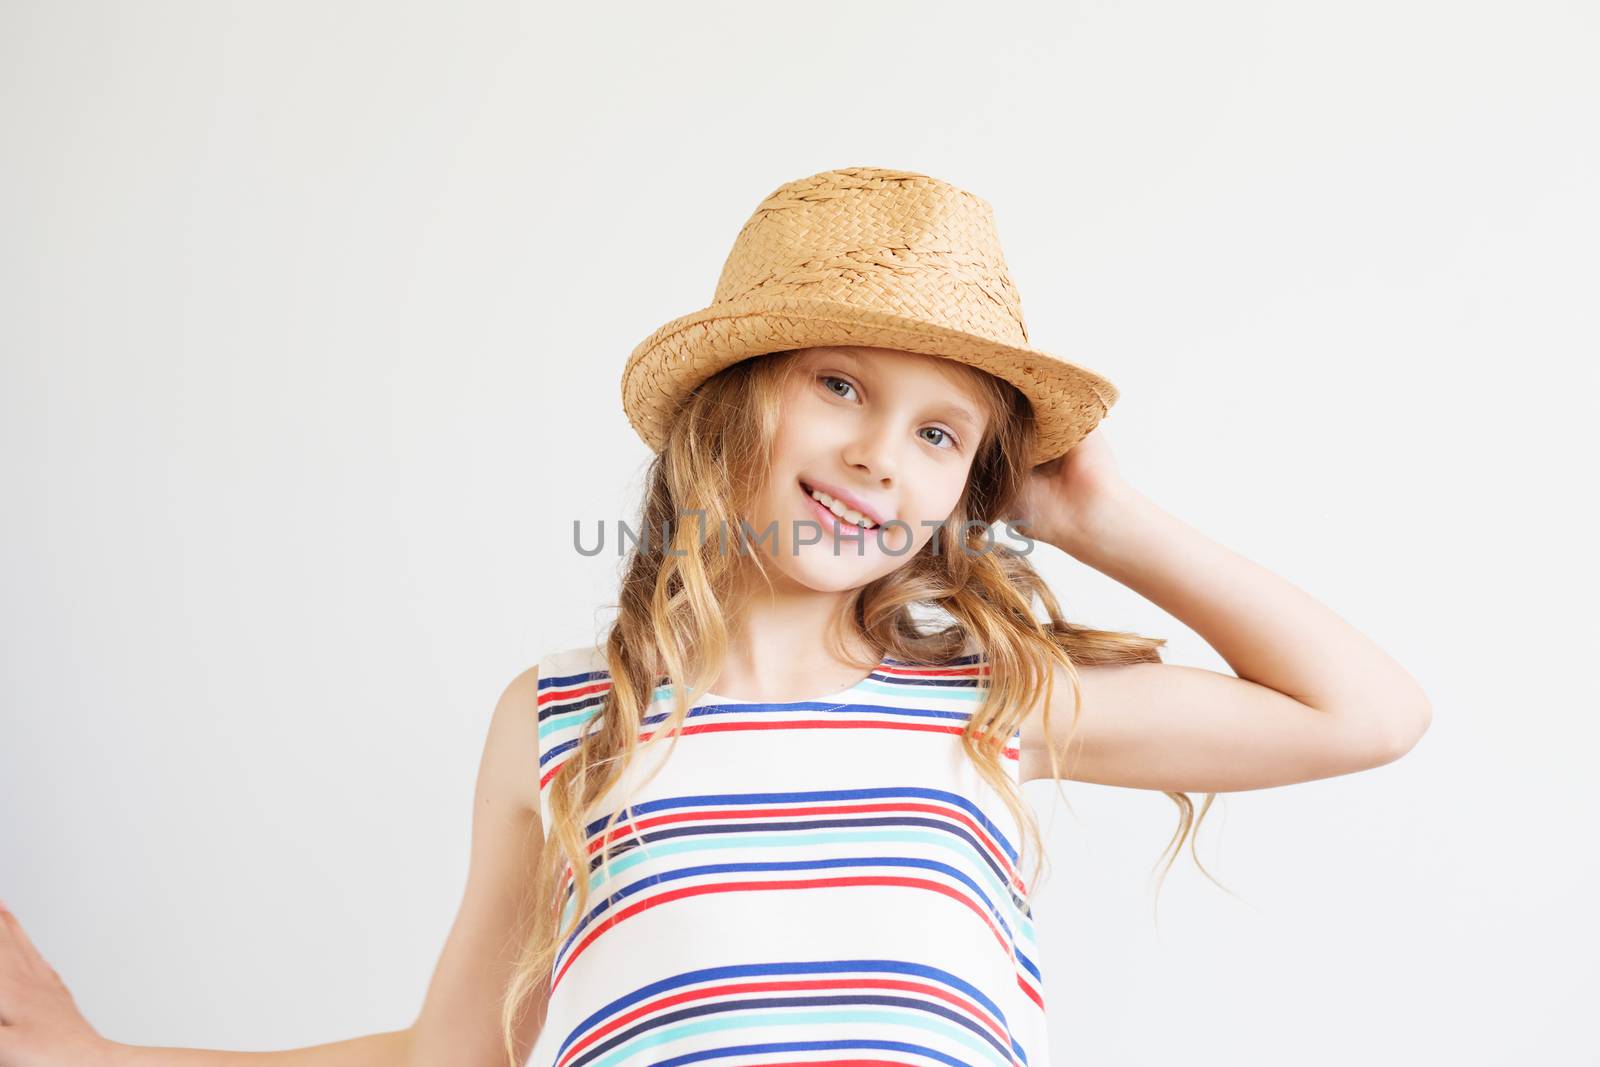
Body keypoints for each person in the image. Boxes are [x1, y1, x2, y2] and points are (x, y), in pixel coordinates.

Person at [0, 167, 1432, 1067]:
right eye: (843, 386)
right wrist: (96, 1060)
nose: (884, 454)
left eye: (945, 437)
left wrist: (1094, 518)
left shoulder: (984, 702)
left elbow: (1365, 716)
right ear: (727, 406)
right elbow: (454, 1052)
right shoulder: (562, 719)